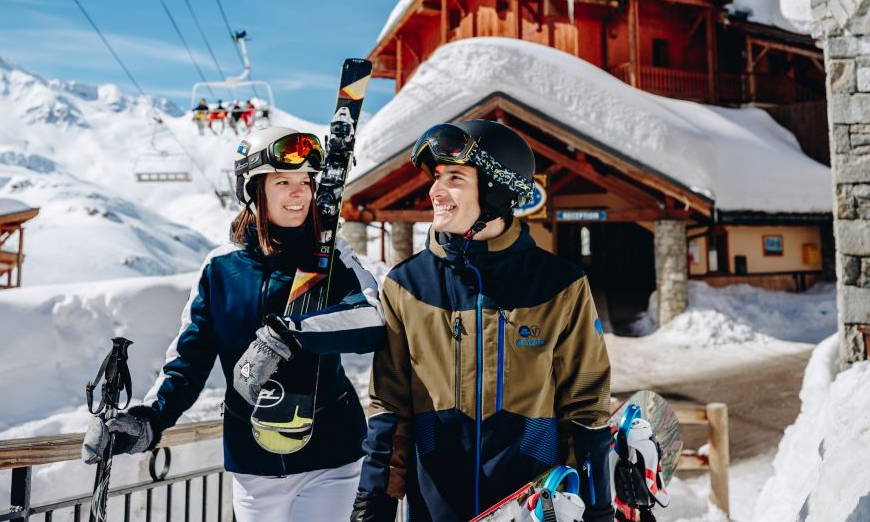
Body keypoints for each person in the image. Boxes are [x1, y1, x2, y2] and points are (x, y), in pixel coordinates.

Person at [83, 126, 386, 521]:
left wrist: (289, 335)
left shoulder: (332, 259)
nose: (300, 193)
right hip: (253, 464)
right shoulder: (221, 268)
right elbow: (188, 362)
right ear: (252, 189)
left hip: (331, 459)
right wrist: (149, 421)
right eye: (283, 181)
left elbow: (372, 320)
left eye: (306, 182)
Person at [350, 120, 615, 522]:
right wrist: (376, 496)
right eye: (437, 178)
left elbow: (586, 405)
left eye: (454, 178)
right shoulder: (407, 286)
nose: (435, 191)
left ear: (497, 188)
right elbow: (390, 404)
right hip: (436, 506)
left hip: (531, 506)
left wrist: (597, 506)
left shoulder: (559, 285)